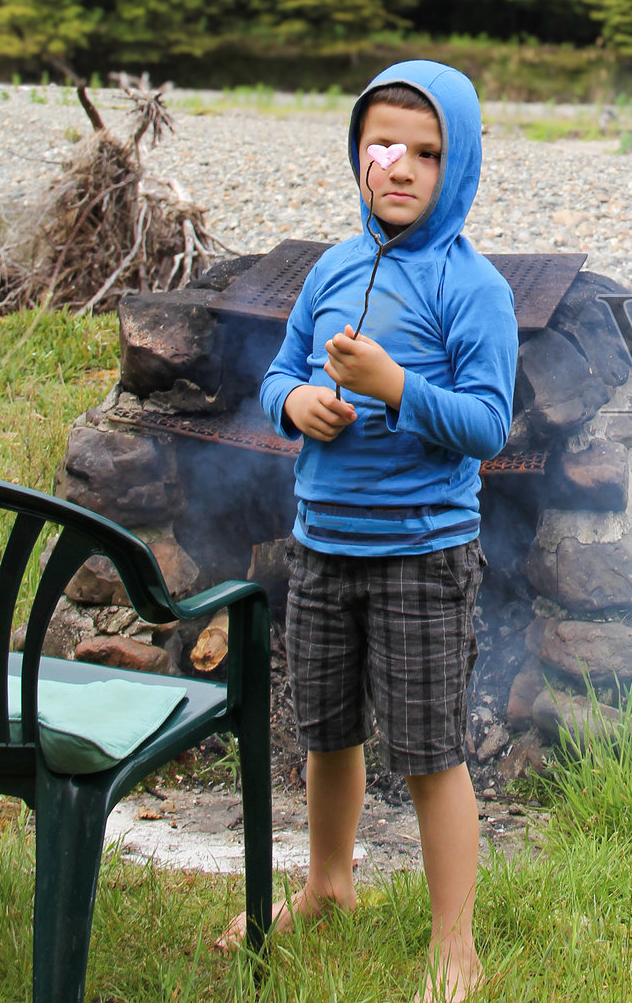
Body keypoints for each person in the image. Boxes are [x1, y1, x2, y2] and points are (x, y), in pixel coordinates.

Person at [217, 59, 518, 1003]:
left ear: (457, 165)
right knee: (329, 731)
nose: (400, 168)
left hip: (421, 554)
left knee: (428, 750)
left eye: (427, 154)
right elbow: (276, 376)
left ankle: (455, 942)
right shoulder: (335, 269)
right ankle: (327, 884)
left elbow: (486, 426)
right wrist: (300, 400)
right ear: (357, 154)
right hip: (324, 544)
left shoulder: (471, 289)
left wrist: (395, 386)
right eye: (382, 147)